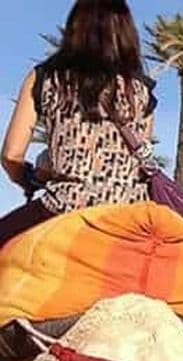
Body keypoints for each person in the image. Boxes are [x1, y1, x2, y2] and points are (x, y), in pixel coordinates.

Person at [0, 0, 156, 247]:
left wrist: (29, 178)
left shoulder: (45, 77)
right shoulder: (141, 90)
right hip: (126, 214)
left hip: (63, 207)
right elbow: (138, 161)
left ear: (74, 29)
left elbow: (11, 154)